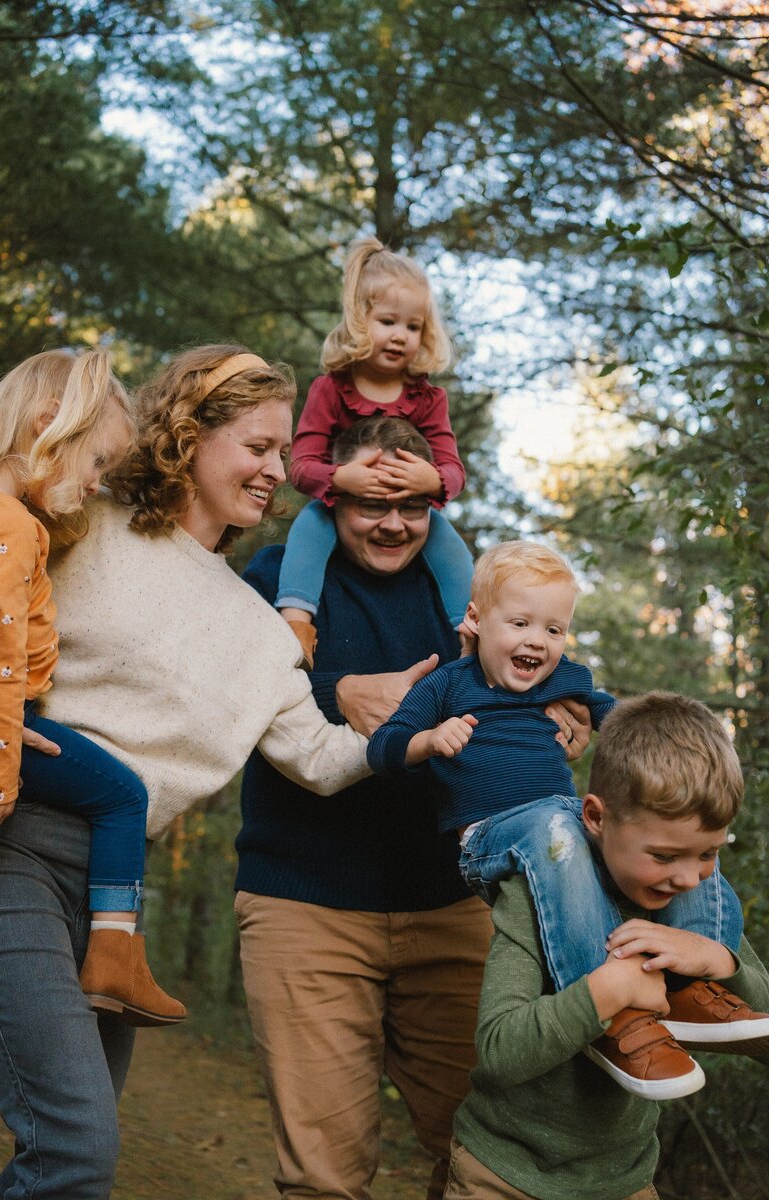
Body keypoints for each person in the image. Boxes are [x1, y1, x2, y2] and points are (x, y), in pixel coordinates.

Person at [0, 344, 370, 1200]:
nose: (278, 471)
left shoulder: (263, 633)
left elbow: (328, 761)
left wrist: (445, 703)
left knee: (76, 1152)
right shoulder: (87, 518)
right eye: (258, 447)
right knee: (74, 1148)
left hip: (115, 892)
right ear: (189, 436)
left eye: (283, 451)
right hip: (7, 845)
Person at [235, 416, 591, 1200]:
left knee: (485, 1154)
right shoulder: (272, 581)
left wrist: (572, 703)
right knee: (324, 1176)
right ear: (333, 494)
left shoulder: (465, 596)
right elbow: (230, 695)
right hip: (305, 903)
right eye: (371, 502)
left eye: (413, 506)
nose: (392, 522)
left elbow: (538, 644)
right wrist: (338, 693)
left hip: (457, 905)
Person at [368, 540, 752, 1098]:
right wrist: (429, 740)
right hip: (491, 839)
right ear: (475, 619)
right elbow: (383, 747)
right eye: (521, 622)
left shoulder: (564, 680)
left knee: (676, 830)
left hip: (564, 824)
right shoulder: (447, 685)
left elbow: (620, 724)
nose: (538, 642)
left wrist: (673, 754)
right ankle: (607, 1007)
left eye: (554, 629)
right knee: (556, 821)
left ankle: (693, 980)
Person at [443, 693, 769, 1200]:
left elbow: (761, 1025)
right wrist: (604, 993)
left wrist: (719, 961)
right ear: (595, 817)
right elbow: (498, 1053)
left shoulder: (687, 901)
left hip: (625, 1180)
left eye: (708, 854)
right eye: (664, 855)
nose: (687, 877)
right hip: (505, 1175)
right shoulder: (536, 892)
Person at [0, 347, 184, 1026]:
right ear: (45, 425)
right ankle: (113, 957)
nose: (96, 485)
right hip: (1, 715)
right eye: (95, 463)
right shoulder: (7, 522)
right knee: (124, 794)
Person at [276, 236, 473, 667]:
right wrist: (339, 479)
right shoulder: (331, 388)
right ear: (360, 321)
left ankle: (470, 635)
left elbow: (453, 469)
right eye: (388, 322)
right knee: (309, 528)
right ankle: (294, 626)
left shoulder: (428, 397)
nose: (401, 336)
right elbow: (302, 465)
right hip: (342, 504)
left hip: (406, 502)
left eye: (413, 326)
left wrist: (434, 481)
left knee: (449, 543)